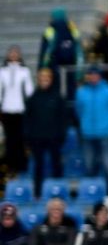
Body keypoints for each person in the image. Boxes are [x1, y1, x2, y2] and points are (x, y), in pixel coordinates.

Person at [22, 66, 68, 199]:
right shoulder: (32, 98)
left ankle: (59, 193)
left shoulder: (58, 97)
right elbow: (27, 119)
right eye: (42, 77)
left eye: (47, 78)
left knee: (56, 165)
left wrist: (61, 135)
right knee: (38, 167)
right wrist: (28, 137)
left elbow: (63, 118)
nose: (44, 80)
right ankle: (38, 193)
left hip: (54, 138)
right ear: (38, 79)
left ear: (51, 79)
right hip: (37, 138)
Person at [72, 66, 108, 190]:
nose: (93, 77)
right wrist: (84, 123)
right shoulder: (81, 92)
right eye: (90, 74)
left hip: (105, 133)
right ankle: (92, 190)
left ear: (100, 76)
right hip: (88, 133)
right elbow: (78, 111)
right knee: (89, 165)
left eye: (95, 74)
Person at [0, 46, 32, 176]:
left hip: (20, 109)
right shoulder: (2, 71)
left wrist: (30, 106)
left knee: (20, 139)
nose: (13, 55)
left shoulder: (24, 71)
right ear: (8, 55)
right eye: (11, 53)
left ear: (19, 55)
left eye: (16, 53)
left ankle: (21, 165)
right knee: (9, 139)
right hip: (7, 109)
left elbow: (29, 90)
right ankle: (10, 166)